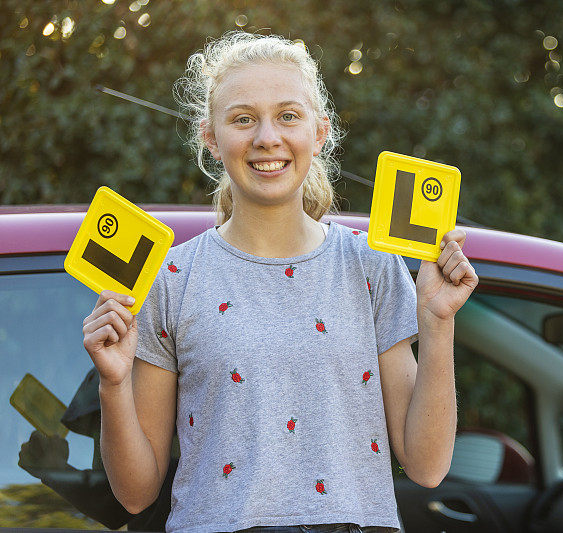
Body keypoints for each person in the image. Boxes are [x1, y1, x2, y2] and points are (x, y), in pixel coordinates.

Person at [81, 31, 478, 533]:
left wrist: (438, 323)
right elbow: (136, 496)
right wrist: (113, 385)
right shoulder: (171, 280)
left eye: (288, 116)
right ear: (211, 137)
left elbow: (427, 465)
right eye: (243, 119)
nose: (267, 137)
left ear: (320, 132)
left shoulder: (371, 266)